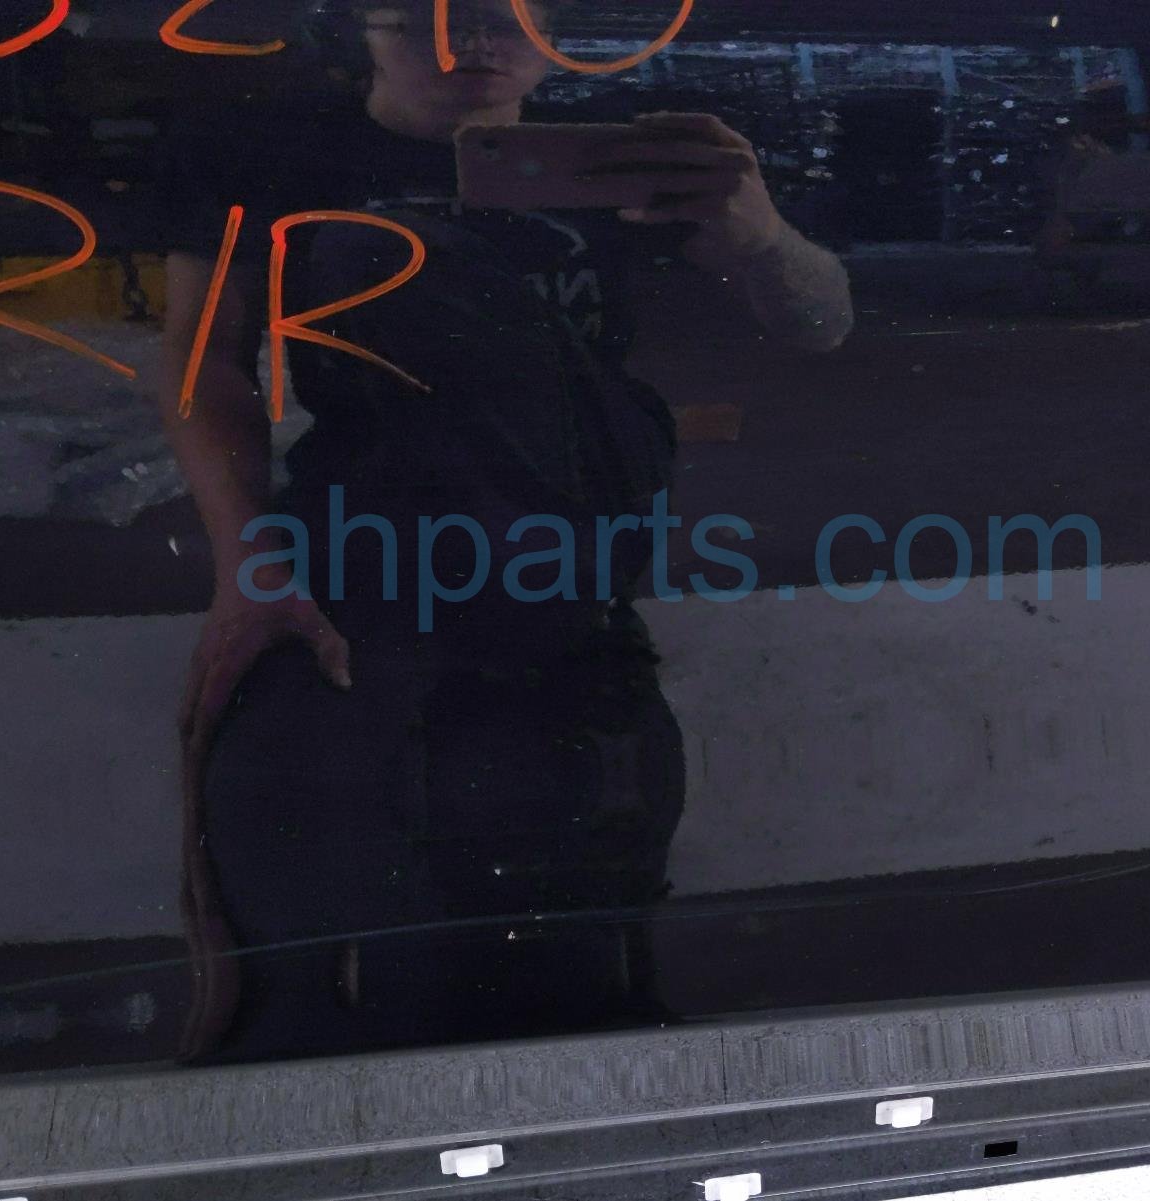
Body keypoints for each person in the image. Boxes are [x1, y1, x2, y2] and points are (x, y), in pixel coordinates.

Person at [156, 0, 854, 1060]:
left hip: (570, 598)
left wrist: (761, 237)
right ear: (367, 29)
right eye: (430, 18)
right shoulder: (275, 154)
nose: (472, 45)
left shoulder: (621, 157)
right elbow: (204, 362)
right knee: (347, 942)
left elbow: (821, 320)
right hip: (366, 583)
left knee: (573, 947)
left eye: (507, 18)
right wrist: (249, 567)